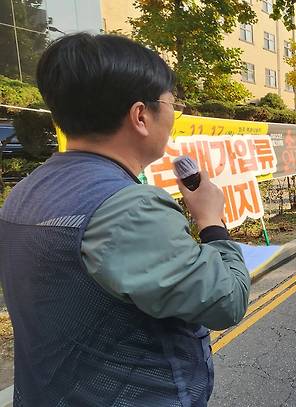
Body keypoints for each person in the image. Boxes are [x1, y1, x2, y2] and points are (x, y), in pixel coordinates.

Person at [0, 34, 250, 406]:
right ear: (140, 116)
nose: (173, 116)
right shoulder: (128, 208)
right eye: (171, 105)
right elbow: (226, 301)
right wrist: (211, 221)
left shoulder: (25, 191)